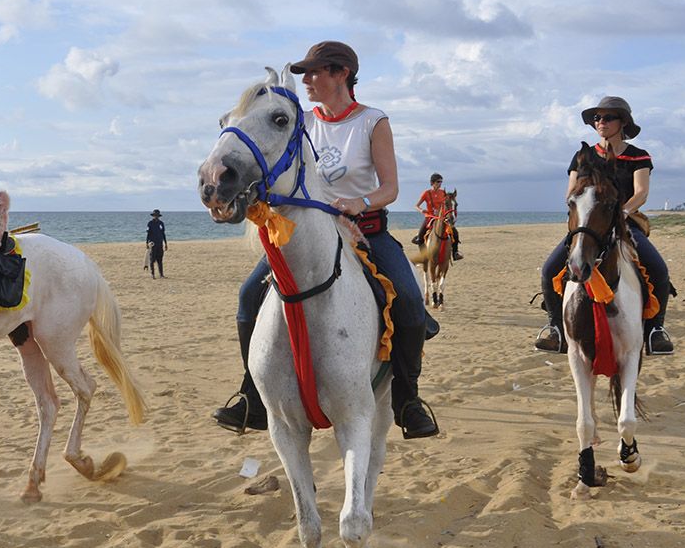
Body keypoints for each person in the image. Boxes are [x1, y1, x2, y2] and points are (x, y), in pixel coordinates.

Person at [213, 40, 439, 439]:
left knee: (410, 303)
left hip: (365, 232)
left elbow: (390, 188)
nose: (308, 81)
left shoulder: (372, 121)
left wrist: (359, 203)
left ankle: (407, 398)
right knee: (249, 295)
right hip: (305, 233)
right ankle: (253, 396)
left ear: (342, 74)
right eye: (305, 74)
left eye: (316, 72)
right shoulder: (302, 121)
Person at [535, 96, 674, 356]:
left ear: (623, 122)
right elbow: (571, 193)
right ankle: (555, 328)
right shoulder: (583, 157)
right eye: (597, 118)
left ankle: (656, 330)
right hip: (589, 223)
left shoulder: (638, 156)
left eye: (608, 117)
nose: (601, 122)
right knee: (549, 269)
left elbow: (641, 192)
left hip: (624, 221)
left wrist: (621, 211)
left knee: (658, 268)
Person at [411, 172, 462, 260]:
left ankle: (455, 253)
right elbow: (416, 205)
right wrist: (422, 210)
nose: (440, 184)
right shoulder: (426, 193)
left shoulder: (443, 193)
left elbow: (448, 204)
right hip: (430, 217)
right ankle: (424, 256)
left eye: (441, 182)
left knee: (455, 233)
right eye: (438, 182)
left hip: (442, 218)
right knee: (420, 236)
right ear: (432, 183)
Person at [146, 209, 167, 278]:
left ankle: (161, 274)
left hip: (160, 243)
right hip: (153, 243)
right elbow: (148, 234)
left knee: (160, 259)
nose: (156, 217)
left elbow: (163, 233)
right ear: (153, 216)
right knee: (152, 259)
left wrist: (165, 243)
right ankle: (152, 274)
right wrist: (146, 243)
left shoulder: (161, 223)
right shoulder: (150, 223)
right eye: (155, 215)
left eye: (157, 215)